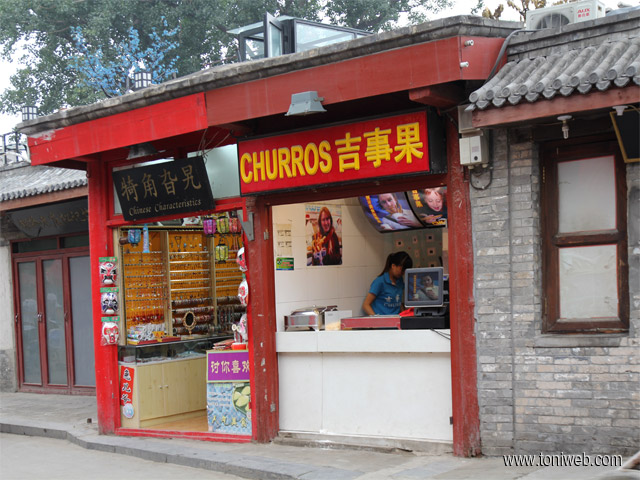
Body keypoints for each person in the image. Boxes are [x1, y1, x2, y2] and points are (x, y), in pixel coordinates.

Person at [362, 251, 413, 315]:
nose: (403, 273)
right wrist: (376, 318)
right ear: (393, 266)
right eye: (401, 270)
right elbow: (366, 305)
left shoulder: (400, 281)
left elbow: (398, 302)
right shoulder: (380, 282)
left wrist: (404, 314)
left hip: (396, 319)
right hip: (382, 319)